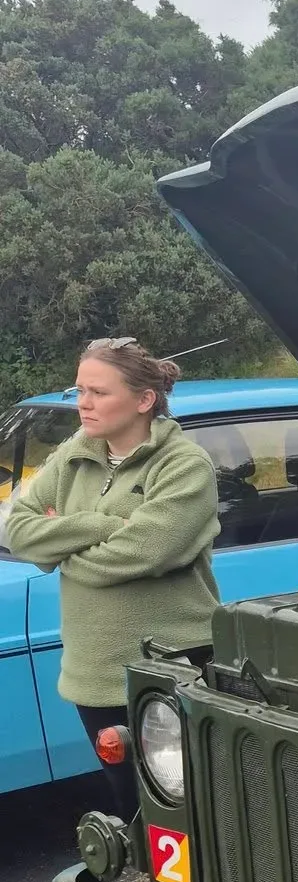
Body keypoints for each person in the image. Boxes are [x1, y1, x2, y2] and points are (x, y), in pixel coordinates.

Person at [6, 338, 219, 821]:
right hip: (94, 673)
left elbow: (145, 550)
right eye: (80, 390)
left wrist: (62, 548)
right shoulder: (74, 454)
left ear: (143, 401)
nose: (83, 403)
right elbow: (17, 531)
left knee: (191, 812)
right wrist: (99, 527)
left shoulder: (183, 464)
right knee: (128, 804)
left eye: (98, 392)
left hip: (170, 665)